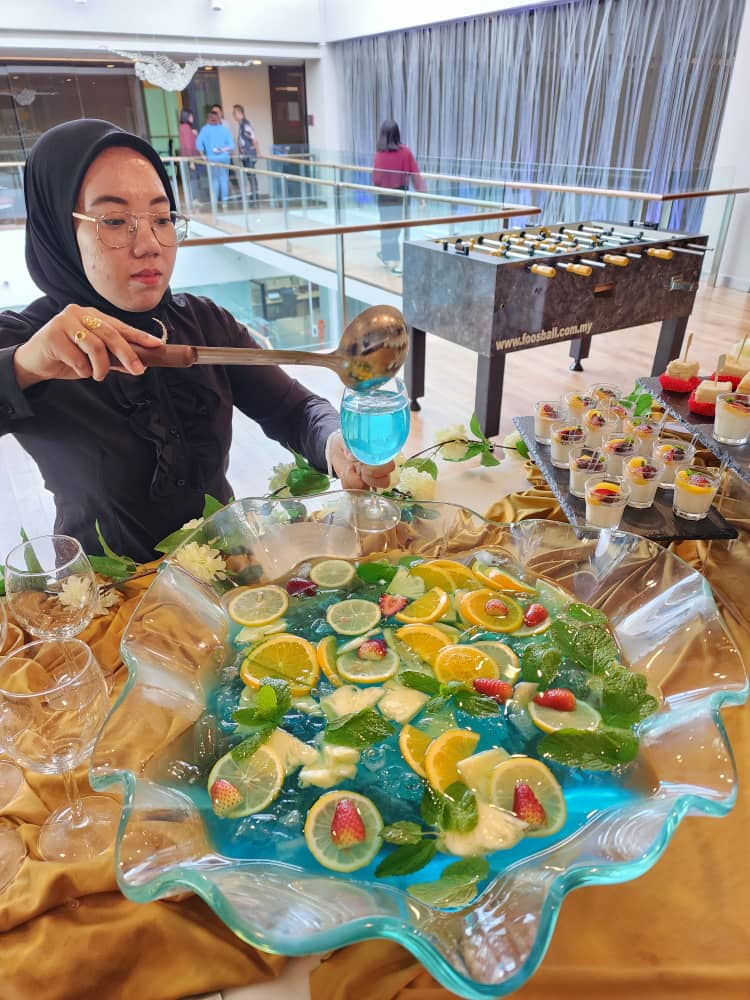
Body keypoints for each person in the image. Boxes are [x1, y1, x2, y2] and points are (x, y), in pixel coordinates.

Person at [0, 119, 393, 562]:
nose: (149, 244)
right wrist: (24, 366)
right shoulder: (34, 340)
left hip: (226, 572)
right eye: (115, 221)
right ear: (57, 228)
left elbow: (293, 409)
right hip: (110, 594)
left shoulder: (203, 323)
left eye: (161, 218)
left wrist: (335, 443)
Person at [372, 120, 426, 276]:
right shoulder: (405, 152)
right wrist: (421, 196)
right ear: (397, 134)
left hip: (384, 195)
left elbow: (376, 179)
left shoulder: (380, 154)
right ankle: (389, 257)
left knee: (387, 228)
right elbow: (415, 174)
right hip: (402, 195)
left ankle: (392, 260)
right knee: (396, 228)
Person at [196, 109, 234, 207]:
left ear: (208, 119)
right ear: (218, 119)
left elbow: (198, 143)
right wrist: (222, 150)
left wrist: (202, 155)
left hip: (212, 159)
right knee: (224, 180)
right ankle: (225, 203)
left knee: (214, 181)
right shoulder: (224, 130)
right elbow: (231, 146)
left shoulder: (205, 129)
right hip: (224, 159)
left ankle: (215, 203)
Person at [232, 104, 260, 205]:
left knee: (251, 176)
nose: (233, 115)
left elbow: (254, 139)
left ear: (240, 113)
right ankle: (253, 197)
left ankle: (255, 198)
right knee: (250, 176)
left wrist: (258, 152)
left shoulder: (245, 125)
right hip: (245, 156)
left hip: (249, 155)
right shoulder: (241, 125)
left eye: (234, 113)